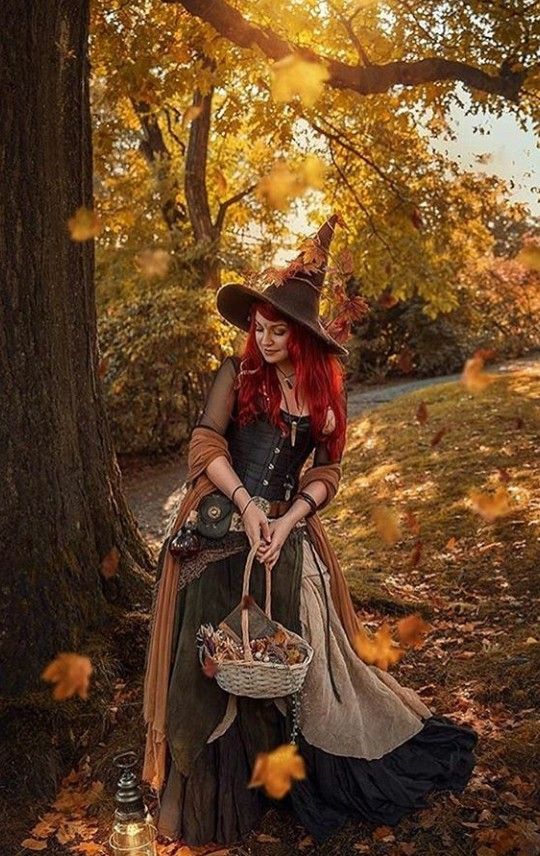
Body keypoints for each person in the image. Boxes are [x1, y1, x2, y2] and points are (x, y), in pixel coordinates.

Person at [142, 214, 478, 847]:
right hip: (221, 514)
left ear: (302, 338)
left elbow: (328, 469)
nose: (263, 339)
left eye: (277, 331)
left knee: (306, 641)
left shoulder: (325, 397)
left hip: (288, 525)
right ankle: (214, 800)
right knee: (215, 645)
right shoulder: (236, 375)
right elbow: (205, 444)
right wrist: (247, 508)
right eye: (258, 328)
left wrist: (289, 518)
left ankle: (290, 772)